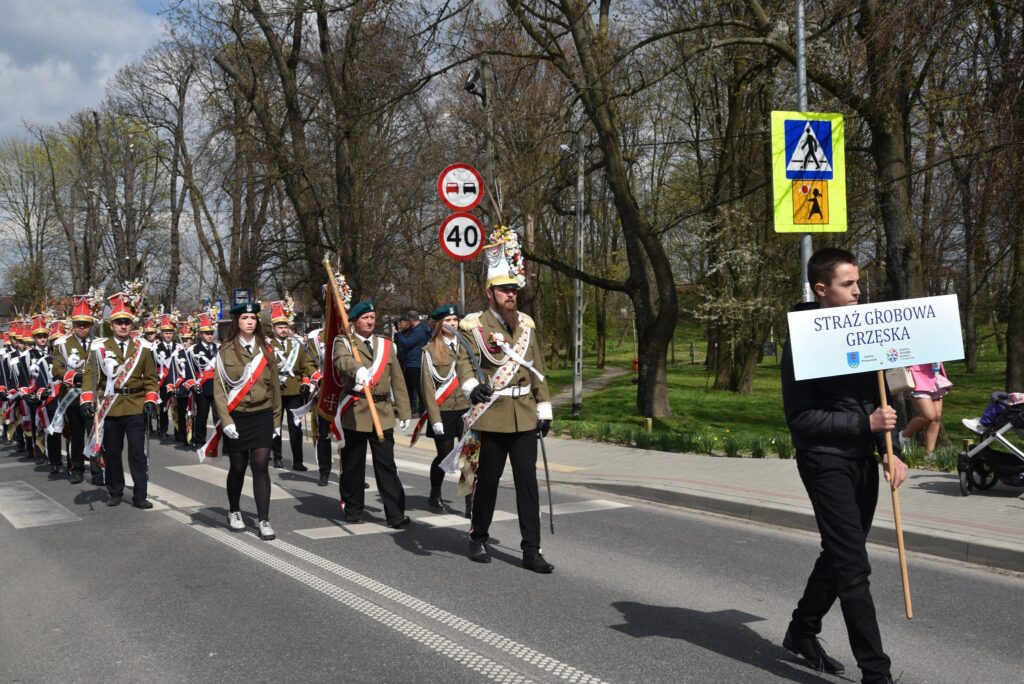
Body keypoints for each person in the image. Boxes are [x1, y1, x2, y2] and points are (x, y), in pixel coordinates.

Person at [780, 247, 907, 684]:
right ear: (822, 289)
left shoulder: (867, 329)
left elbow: (880, 399)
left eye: (858, 283)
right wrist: (863, 421)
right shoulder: (801, 343)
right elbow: (800, 419)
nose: (858, 291)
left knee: (839, 554)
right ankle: (877, 673)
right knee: (854, 564)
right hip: (823, 460)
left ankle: (801, 630)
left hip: (863, 459)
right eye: (848, 284)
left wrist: (890, 447)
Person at [456, 228, 554, 573]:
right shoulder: (474, 326)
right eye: (504, 289)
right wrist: (471, 387)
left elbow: (537, 367)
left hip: (524, 414)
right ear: (490, 293)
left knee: (528, 485)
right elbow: (464, 362)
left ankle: (531, 549)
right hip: (493, 414)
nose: (511, 294)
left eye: (514, 289)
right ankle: (478, 537)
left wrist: (544, 407)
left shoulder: (525, 325)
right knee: (488, 482)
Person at [332, 300, 412, 527]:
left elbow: (398, 379)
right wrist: (358, 371)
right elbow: (341, 361)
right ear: (355, 321)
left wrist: (404, 411)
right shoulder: (344, 342)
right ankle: (353, 508)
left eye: (373, 318)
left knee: (386, 464)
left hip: (383, 412)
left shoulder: (386, 345)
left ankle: (395, 513)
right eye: (365, 318)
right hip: (355, 412)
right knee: (353, 464)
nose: (370, 322)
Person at [80, 290, 160, 509]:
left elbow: (152, 378)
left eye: (127, 322)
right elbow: (90, 378)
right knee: (113, 452)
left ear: (131, 324)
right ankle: (115, 490)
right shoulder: (99, 348)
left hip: (135, 406)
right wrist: (87, 401)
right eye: (119, 322)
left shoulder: (142, 348)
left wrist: (151, 400)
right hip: (111, 407)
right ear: (111, 325)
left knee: (137, 452)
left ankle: (140, 495)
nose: (123, 326)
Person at [214, 302, 282, 540]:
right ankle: (234, 511)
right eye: (245, 317)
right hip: (238, 416)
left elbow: (275, 389)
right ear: (237, 322)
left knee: (261, 466)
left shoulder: (267, 350)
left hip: (262, 414)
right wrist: (226, 420)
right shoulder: (225, 351)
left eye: (253, 317)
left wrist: (276, 422)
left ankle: (263, 519)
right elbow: (220, 391)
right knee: (238, 468)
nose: (250, 321)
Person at [418, 304, 469, 513]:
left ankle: (470, 502)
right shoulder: (430, 350)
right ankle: (435, 493)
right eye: (448, 321)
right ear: (440, 324)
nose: (453, 324)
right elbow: (427, 386)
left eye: (455, 320)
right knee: (444, 456)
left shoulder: (466, 346)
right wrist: (434, 418)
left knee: (468, 457)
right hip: (444, 409)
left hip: (466, 408)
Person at [50, 293, 103, 485]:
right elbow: (57, 369)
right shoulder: (62, 344)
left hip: (93, 397)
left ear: (91, 325)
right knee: (76, 434)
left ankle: (98, 472)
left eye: (86, 324)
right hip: (72, 396)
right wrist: (74, 377)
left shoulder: (99, 343)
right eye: (79, 324)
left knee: (94, 435)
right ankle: (77, 469)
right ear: (73, 324)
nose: (82, 327)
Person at [268, 298, 316, 471]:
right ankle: (278, 457)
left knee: (296, 427)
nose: (283, 330)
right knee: (276, 426)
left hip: (295, 391)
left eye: (285, 327)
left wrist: (305, 383)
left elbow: (306, 366)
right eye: (279, 327)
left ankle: (298, 461)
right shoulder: (267, 346)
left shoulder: (297, 345)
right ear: (273, 329)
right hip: (275, 391)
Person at [899, 363, 951, 457]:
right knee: (929, 415)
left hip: (934, 371)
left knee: (937, 417)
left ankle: (929, 454)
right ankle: (904, 435)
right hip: (917, 373)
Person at [189, 311, 218, 450]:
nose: (210, 335)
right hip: (202, 386)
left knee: (220, 416)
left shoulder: (218, 348)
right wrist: (193, 384)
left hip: (217, 387)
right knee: (202, 415)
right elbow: (190, 371)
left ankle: (220, 443)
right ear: (201, 334)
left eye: (212, 332)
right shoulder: (194, 349)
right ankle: (199, 441)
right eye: (207, 333)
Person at [395, 310, 430, 419]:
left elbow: (407, 343)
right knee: (409, 388)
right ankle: (411, 409)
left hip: (416, 363)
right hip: (410, 363)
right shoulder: (415, 330)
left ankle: (422, 410)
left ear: (411, 320)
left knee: (419, 389)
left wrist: (399, 333)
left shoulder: (419, 330)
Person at [153, 314, 180, 440]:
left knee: (176, 407)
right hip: (163, 382)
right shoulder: (157, 348)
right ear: (162, 334)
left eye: (170, 333)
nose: (168, 335)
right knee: (164, 408)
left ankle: (178, 431)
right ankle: (162, 430)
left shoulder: (178, 347)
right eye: (166, 333)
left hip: (176, 381)